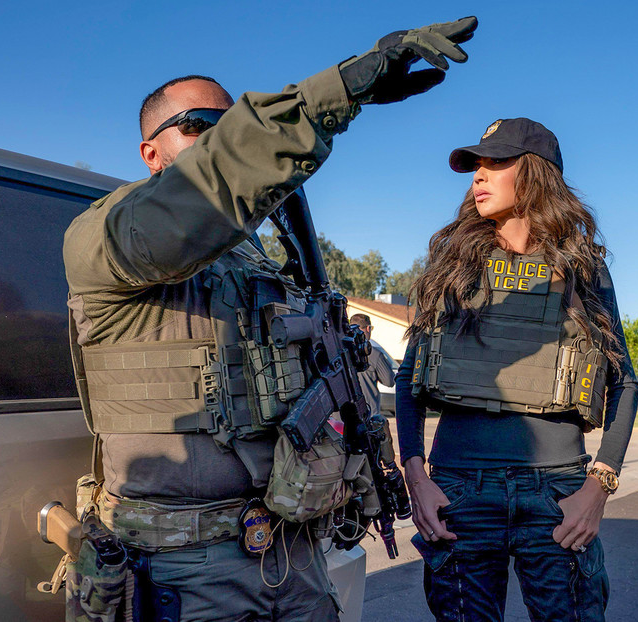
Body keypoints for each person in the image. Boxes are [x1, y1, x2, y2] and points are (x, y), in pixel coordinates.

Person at [62, 18, 477, 622]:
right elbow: (203, 196)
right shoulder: (109, 234)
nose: (224, 139)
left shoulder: (263, 263)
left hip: (292, 551)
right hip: (186, 571)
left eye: (233, 128)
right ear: (152, 152)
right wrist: (336, 94)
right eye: (205, 127)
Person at [395, 118, 638, 621]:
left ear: (534, 174)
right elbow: (410, 379)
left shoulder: (582, 266)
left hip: (556, 494)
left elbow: (625, 382)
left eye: (496, 163)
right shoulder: (453, 262)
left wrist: (598, 487)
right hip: (458, 491)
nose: (478, 177)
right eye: (476, 166)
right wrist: (416, 476)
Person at [349, 313, 396, 415]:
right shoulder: (374, 354)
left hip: (340, 418)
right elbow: (389, 381)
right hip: (367, 414)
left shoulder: (339, 351)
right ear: (368, 328)